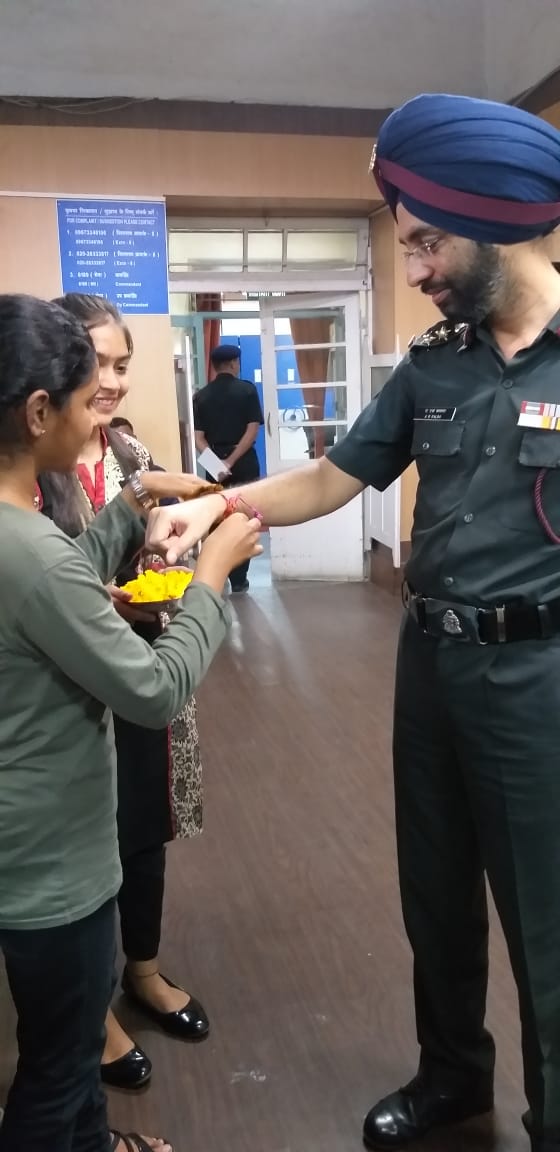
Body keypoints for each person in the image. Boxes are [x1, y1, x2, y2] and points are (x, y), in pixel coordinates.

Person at [145, 95, 560, 1152]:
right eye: (403, 243)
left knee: (545, 917)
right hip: (428, 661)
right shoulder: (433, 364)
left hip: (538, 676)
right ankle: (450, 1077)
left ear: (497, 222)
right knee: (433, 888)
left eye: (425, 242)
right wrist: (218, 505)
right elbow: (333, 478)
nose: (412, 268)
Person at [0, 292, 262, 1152]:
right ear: (40, 411)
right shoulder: (29, 553)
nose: (96, 414)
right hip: (48, 869)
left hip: (27, 848)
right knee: (58, 1067)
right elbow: (149, 690)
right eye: (87, 395)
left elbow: (61, 580)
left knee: (63, 1056)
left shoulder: (22, 534)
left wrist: (131, 506)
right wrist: (214, 576)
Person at [38, 293, 216, 1092]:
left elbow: (144, 538)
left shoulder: (130, 449)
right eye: (94, 364)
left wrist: (156, 568)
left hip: (142, 656)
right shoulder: (36, 461)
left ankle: (141, 969)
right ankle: (98, 1009)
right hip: (67, 688)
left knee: (144, 830)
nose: (108, 383)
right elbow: (49, 580)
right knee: (89, 846)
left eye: (120, 365)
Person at [194, 343, 263, 592]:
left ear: (213, 366)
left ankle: (218, 572)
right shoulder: (247, 391)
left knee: (217, 516)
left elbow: (198, 437)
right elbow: (252, 429)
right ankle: (239, 579)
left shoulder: (201, 396)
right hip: (243, 462)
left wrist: (217, 464)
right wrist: (232, 461)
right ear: (235, 363)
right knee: (243, 516)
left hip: (213, 464)